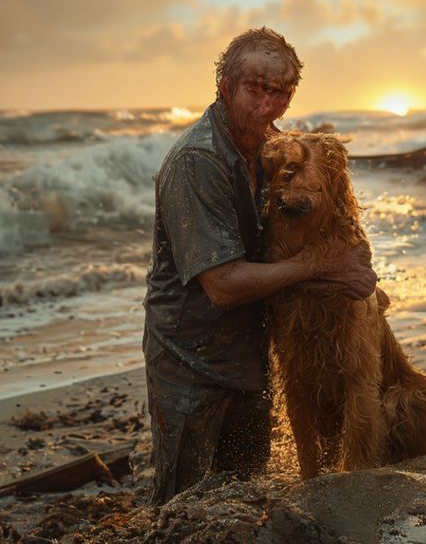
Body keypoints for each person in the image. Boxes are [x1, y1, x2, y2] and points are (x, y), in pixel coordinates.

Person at [142, 27, 377, 504]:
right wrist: (326, 267)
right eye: (255, 89)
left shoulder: (272, 152)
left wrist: (356, 261)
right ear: (226, 87)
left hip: (252, 355)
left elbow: (321, 225)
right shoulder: (197, 161)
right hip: (192, 361)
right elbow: (223, 285)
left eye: (281, 93)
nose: (268, 106)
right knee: (180, 508)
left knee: (243, 501)